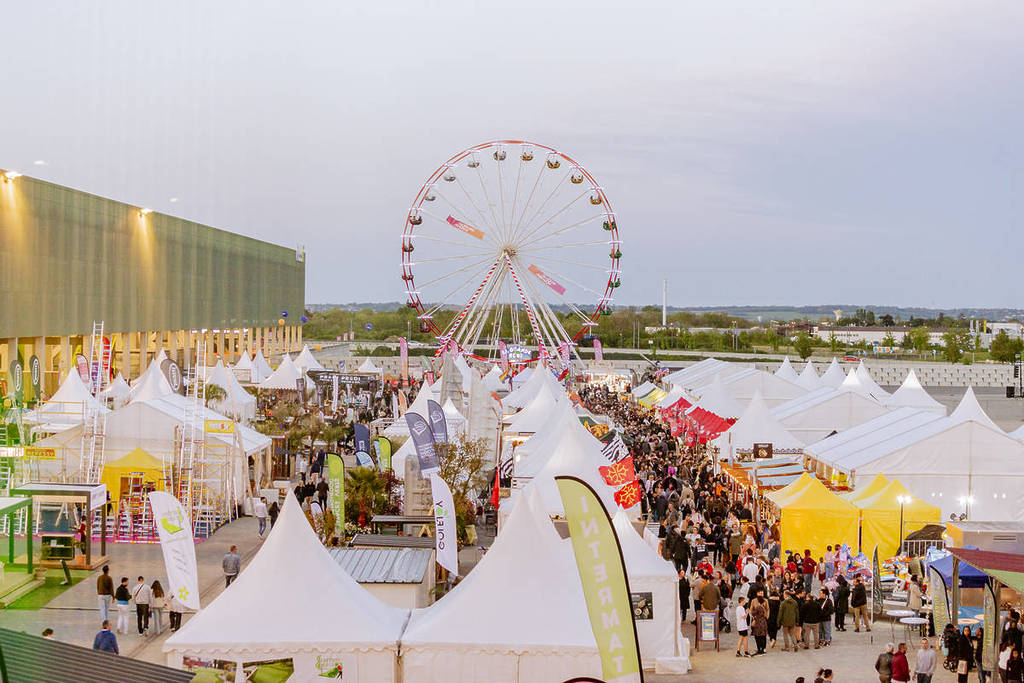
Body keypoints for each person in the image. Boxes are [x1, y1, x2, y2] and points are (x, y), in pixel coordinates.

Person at [750, 590, 769, 655]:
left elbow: (768, 609)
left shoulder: (766, 601)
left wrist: (767, 617)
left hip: (760, 620)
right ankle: (761, 648)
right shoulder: (753, 601)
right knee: (761, 635)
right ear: (757, 593)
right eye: (760, 593)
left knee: (759, 635)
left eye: (762, 593)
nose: (761, 594)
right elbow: (751, 609)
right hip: (759, 620)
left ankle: (761, 648)